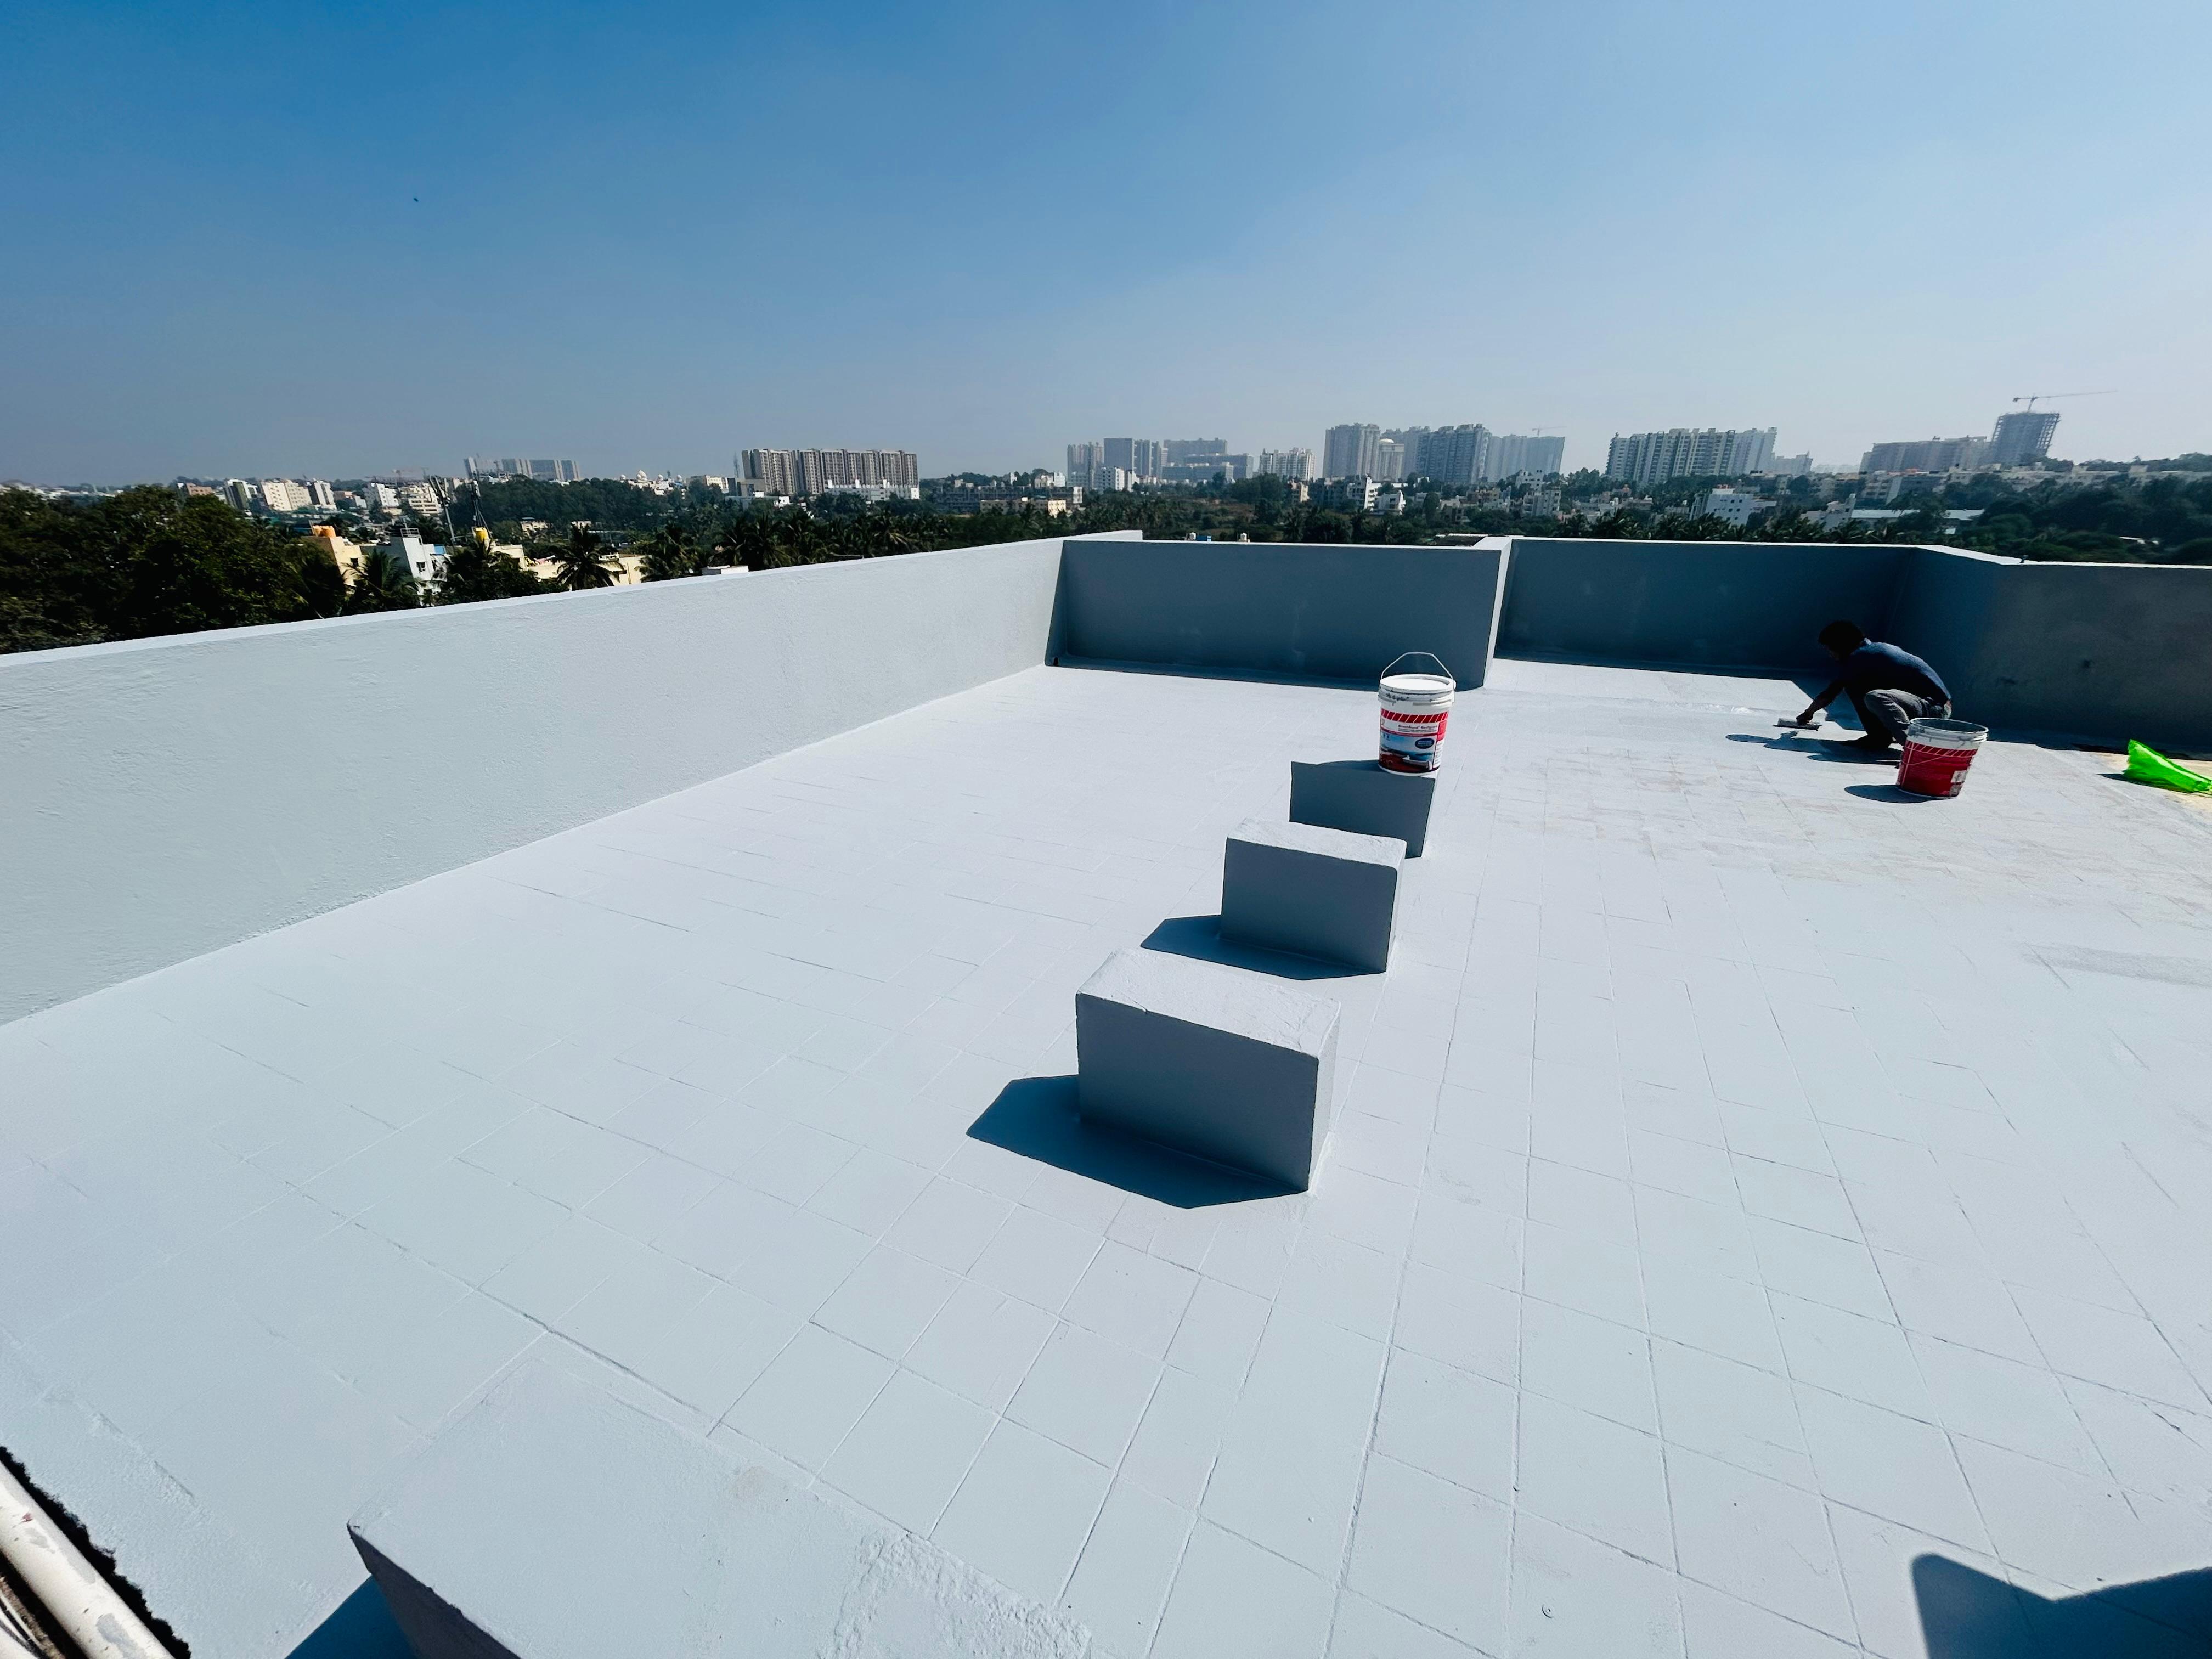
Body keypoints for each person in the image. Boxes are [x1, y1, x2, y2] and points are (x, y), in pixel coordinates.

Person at [1792, 620, 1951, 752]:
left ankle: (1914, 749)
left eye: (1830, 649)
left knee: (1873, 696)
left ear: (1841, 646)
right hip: (1934, 705)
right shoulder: (1875, 650)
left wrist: (1808, 714)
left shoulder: (1860, 658)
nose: (1830, 655)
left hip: (1933, 709)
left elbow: (1831, 692)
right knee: (1860, 686)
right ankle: (1880, 738)